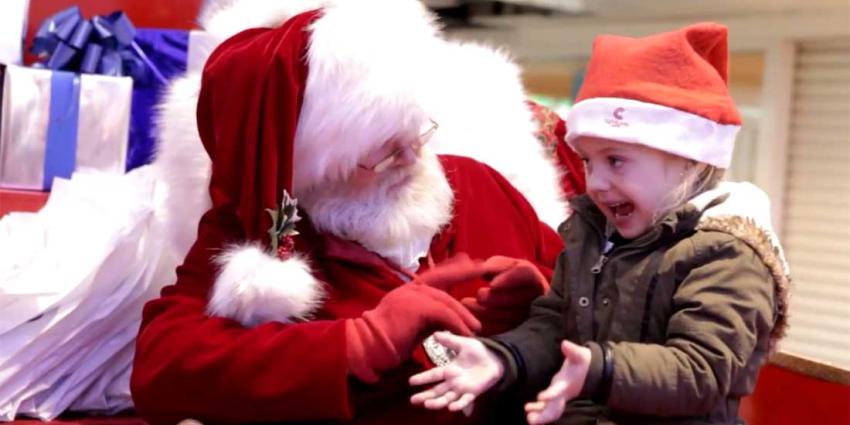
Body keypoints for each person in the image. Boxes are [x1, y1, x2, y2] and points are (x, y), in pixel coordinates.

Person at [130, 1, 581, 424]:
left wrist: (543, 300)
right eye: (382, 153)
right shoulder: (262, 235)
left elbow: (606, 308)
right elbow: (163, 369)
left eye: (417, 133)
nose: (412, 159)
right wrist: (357, 343)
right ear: (313, 170)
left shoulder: (481, 185)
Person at [409, 22, 791, 425]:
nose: (596, 182)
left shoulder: (725, 252)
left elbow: (701, 372)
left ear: (688, 161)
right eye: (588, 161)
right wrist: (502, 357)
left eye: (616, 160)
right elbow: (556, 325)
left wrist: (600, 366)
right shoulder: (592, 235)